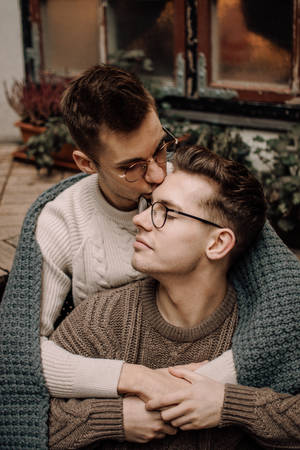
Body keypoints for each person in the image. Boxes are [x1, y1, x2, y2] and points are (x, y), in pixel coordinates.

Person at [1, 64, 300, 447]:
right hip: (110, 369)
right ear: (86, 164)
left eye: (160, 146)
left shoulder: (195, 191)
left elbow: (286, 297)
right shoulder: (60, 223)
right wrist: (134, 384)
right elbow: (19, 353)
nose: (159, 173)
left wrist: (205, 387)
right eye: (132, 167)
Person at [48, 146, 300, 449]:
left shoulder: (262, 333)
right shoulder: (103, 319)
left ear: (218, 243)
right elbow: (23, 412)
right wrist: (116, 418)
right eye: (150, 205)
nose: (139, 220)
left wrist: (229, 405)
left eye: (165, 212)